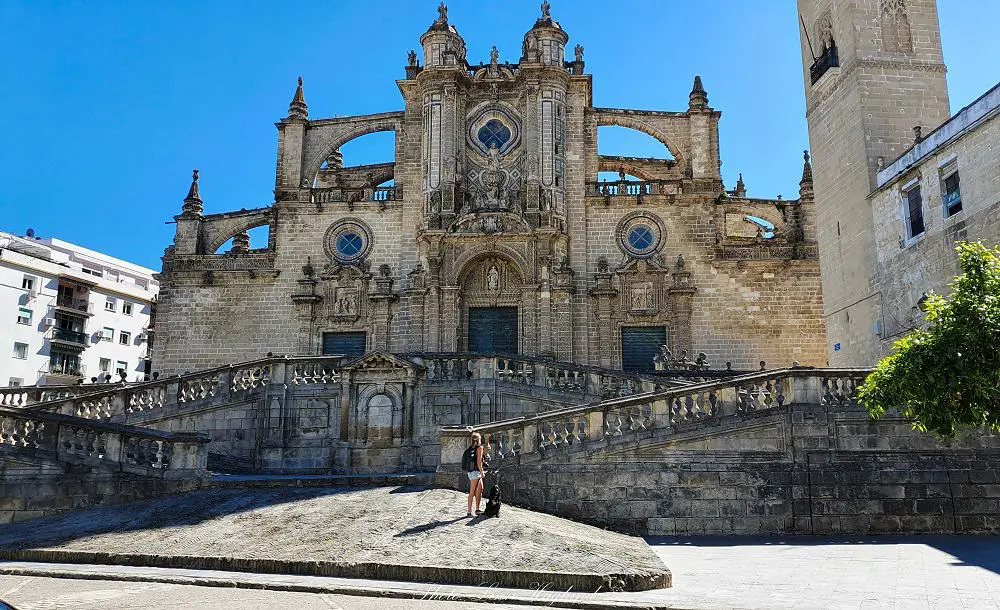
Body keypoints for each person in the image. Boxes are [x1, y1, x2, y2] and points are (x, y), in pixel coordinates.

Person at [465, 432, 485, 517]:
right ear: (479, 439)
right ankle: (469, 512)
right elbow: (479, 461)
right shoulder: (479, 448)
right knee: (472, 492)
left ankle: (477, 509)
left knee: (480, 488)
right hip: (475, 472)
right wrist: (482, 471)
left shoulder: (470, 448)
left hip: (471, 472)